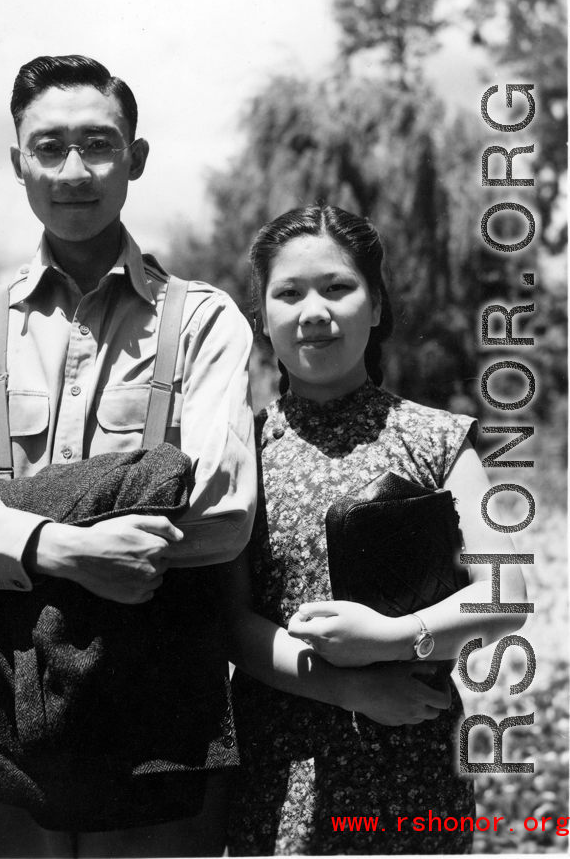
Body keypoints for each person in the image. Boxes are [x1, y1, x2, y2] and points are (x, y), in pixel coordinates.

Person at [0, 55, 256, 858]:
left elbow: (225, 512)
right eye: (49, 146)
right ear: (18, 162)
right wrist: (66, 546)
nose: (74, 170)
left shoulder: (202, 323)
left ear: (135, 158)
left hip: (154, 695)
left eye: (98, 144)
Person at [224, 205, 528, 855]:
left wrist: (396, 636)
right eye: (289, 292)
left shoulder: (437, 441)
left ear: (377, 303)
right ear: (262, 316)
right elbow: (230, 621)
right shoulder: (238, 450)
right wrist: (348, 685)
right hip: (280, 771)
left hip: (414, 766)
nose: (314, 310)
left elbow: (508, 591)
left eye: (338, 286)